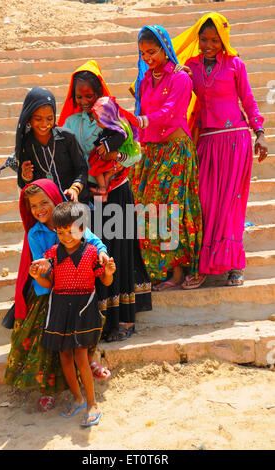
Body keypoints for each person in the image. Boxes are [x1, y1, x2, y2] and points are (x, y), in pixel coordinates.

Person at [170, 13, 268, 288]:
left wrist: (259, 133)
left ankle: (234, 265)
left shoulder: (236, 64)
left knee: (230, 205)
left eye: (215, 39)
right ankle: (204, 265)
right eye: (204, 39)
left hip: (236, 141)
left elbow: (247, 100)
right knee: (206, 203)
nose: (209, 44)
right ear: (198, 39)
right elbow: (176, 93)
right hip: (207, 141)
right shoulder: (191, 66)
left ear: (223, 39)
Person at [58, 60, 152, 342]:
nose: (85, 101)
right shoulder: (70, 124)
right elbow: (68, 161)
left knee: (118, 254)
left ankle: (123, 320)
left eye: (90, 95)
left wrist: (116, 158)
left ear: (99, 92)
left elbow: (135, 153)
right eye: (79, 96)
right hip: (90, 198)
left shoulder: (113, 114)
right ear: (73, 97)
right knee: (95, 255)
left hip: (119, 194)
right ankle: (98, 321)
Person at [4, 179, 111, 411]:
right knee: (47, 344)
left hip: (77, 288)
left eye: (44, 202)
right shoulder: (35, 232)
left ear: (55, 199)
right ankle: (48, 389)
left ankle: (91, 363)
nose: (39, 209)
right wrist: (41, 269)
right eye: (33, 206)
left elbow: (93, 240)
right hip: (49, 292)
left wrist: (101, 253)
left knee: (84, 331)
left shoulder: (74, 220)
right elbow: (44, 262)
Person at [130, 25, 203, 291]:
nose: (147, 58)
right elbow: (142, 111)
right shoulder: (146, 79)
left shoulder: (181, 77)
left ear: (165, 48)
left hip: (175, 151)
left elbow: (171, 111)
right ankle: (156, 269)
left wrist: (142, 120)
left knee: (171, 209)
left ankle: (176, 272)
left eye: (152, 51)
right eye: (142, 53)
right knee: (146, 208)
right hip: (151, 151)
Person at [31, 201, 116, 426]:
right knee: (65, 356)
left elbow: (105, 280)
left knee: (81, 356)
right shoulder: (53, 253)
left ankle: (92, 403)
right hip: (60, 306)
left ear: (83, 228)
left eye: (71, 231)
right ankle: (77, 398)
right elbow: (48, 284)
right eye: (61, 232)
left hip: (83, 306)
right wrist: (37, 276)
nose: (66, 237)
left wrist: (108, 272)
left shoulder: (91, 252)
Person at [14, 86, 89, 203]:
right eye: (38, 119)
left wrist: (75, 188)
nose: (45, 124)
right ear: (29, 120)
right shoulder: (27, 145)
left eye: (50, 118)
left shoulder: (67, 137)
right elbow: (29, 184)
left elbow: (82, 169)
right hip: (48, 208)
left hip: (75, 203)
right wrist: (26, 177)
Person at [88, 96, 141, 201]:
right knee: (105, 174)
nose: (97, 125)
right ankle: (104, 192)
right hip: (110, 160)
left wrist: (106, 147)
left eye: (99, 122)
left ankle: (103, 189)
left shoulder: (120, 130)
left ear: (108, 119)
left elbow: (119, 138)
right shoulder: (110, 127)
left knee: (97, 170)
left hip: (114, 161)